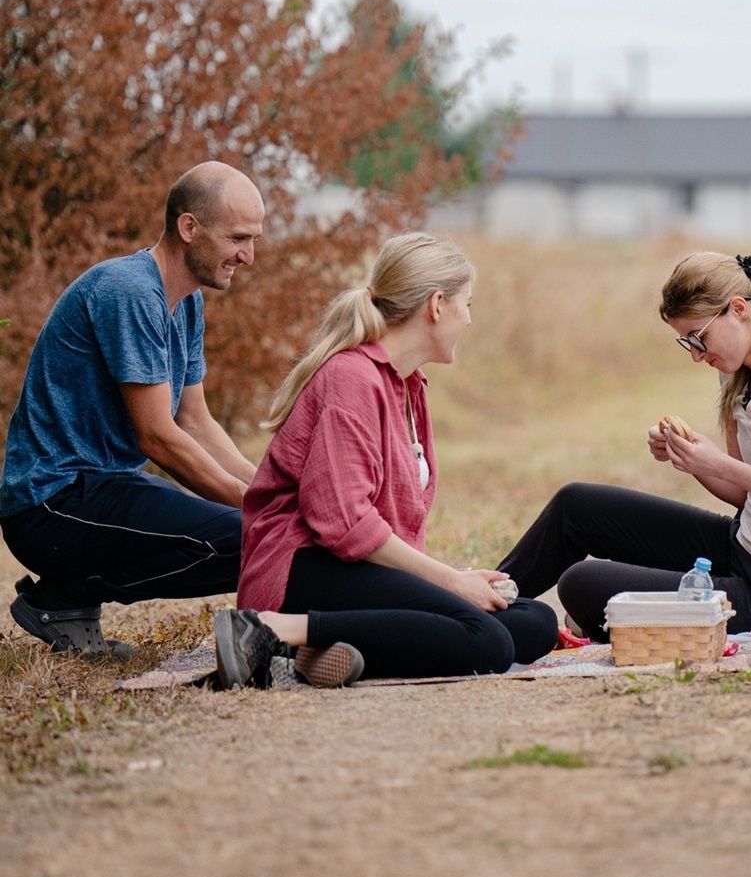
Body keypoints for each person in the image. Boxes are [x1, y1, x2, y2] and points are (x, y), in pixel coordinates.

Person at [216, 232, 559, 689]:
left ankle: (314, 654)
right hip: (302, 570)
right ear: (437, 305)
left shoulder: (408, 387)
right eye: (468, 304)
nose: (470, 320)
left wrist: (450, 581)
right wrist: (449, 582)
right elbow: (342, 525)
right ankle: (273, 631)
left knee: (533, 621)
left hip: (355, 569)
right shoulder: (351, 378)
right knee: (489, 641)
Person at [496, 251, 751, 640]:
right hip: (742, 544)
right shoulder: (735, 373)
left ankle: (574, 619)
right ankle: (486, 601)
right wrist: (692, 460)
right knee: (576, 505)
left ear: (738, 309)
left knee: (581, 583)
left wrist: (717, 464)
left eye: (700, 338)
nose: (698, 355)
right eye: (688, 343)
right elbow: (745, 495)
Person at [1, 162, 264, 658]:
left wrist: (267, 488)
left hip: (103, 489)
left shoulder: (185, 302)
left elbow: (196, 421)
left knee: (257, 529)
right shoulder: (128, 290)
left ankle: (64, 601)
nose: (248, 256)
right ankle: (63, 597)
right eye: (238, 238)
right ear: (189, 228)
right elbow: (158, 436)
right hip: (51, 501)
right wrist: (256, 507)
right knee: (251, 535)